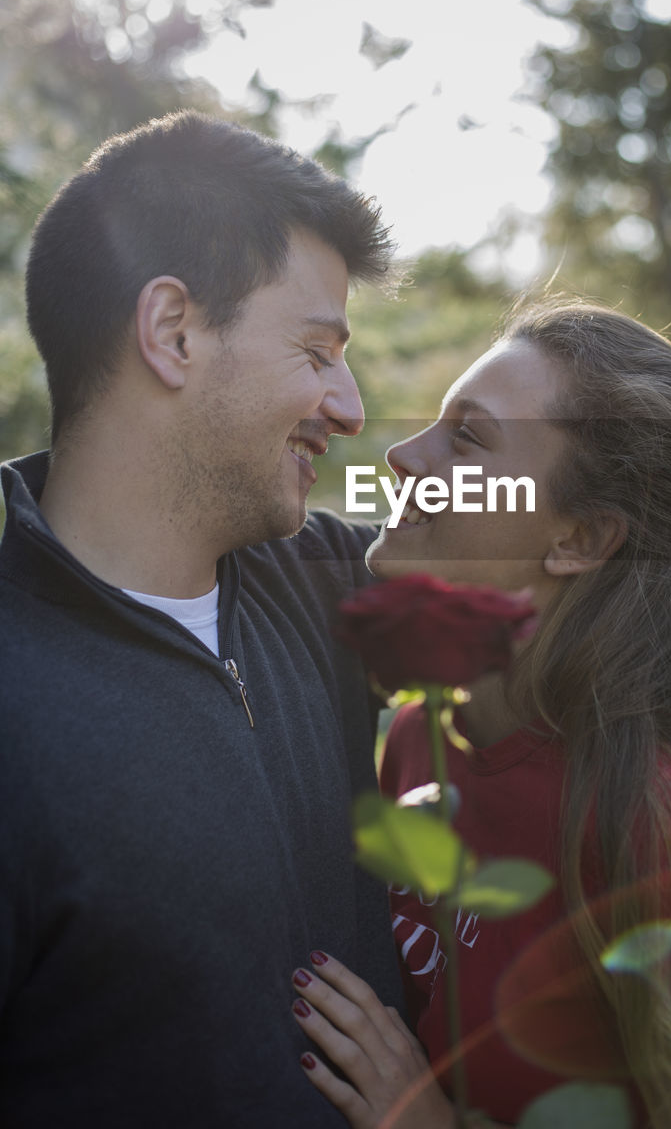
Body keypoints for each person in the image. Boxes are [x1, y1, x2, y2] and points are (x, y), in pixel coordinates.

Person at [289, 301, 671, 1127]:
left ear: (581, 539)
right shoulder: (420, 738)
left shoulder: (667, 830)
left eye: (468, 438)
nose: (404, 455)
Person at [0, 110, 407, 1127]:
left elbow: (612, 563)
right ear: (173, 331)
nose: (349, 406)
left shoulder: (325, 582)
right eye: (317, 349)